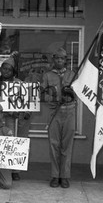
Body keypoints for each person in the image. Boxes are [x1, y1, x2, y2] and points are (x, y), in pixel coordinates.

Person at [41, 47, 77, 189]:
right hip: (54, 112)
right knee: (54, 144)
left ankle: (65, 176)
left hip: (69, 112)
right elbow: (41, 94)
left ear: (65, 61)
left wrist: (71, 94)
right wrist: (54, 97)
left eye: (62, 58)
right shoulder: (48, 75)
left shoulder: (72, 74)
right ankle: (55, 175)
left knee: (67, 146)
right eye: (57, 58)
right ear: (53, 60)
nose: (59, 61)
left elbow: (78, 91)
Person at [0, 56, 32, 181]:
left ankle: (15, 170)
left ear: (13, 72)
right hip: (1, 118)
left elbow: (29, 99)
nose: (6, 71)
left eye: (9, 70)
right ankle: (2, 169)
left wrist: (26, 111)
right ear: (0, 69)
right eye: (4, 68)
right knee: (3, 143)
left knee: (17, 142)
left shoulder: (19, 83)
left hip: (17, 118)